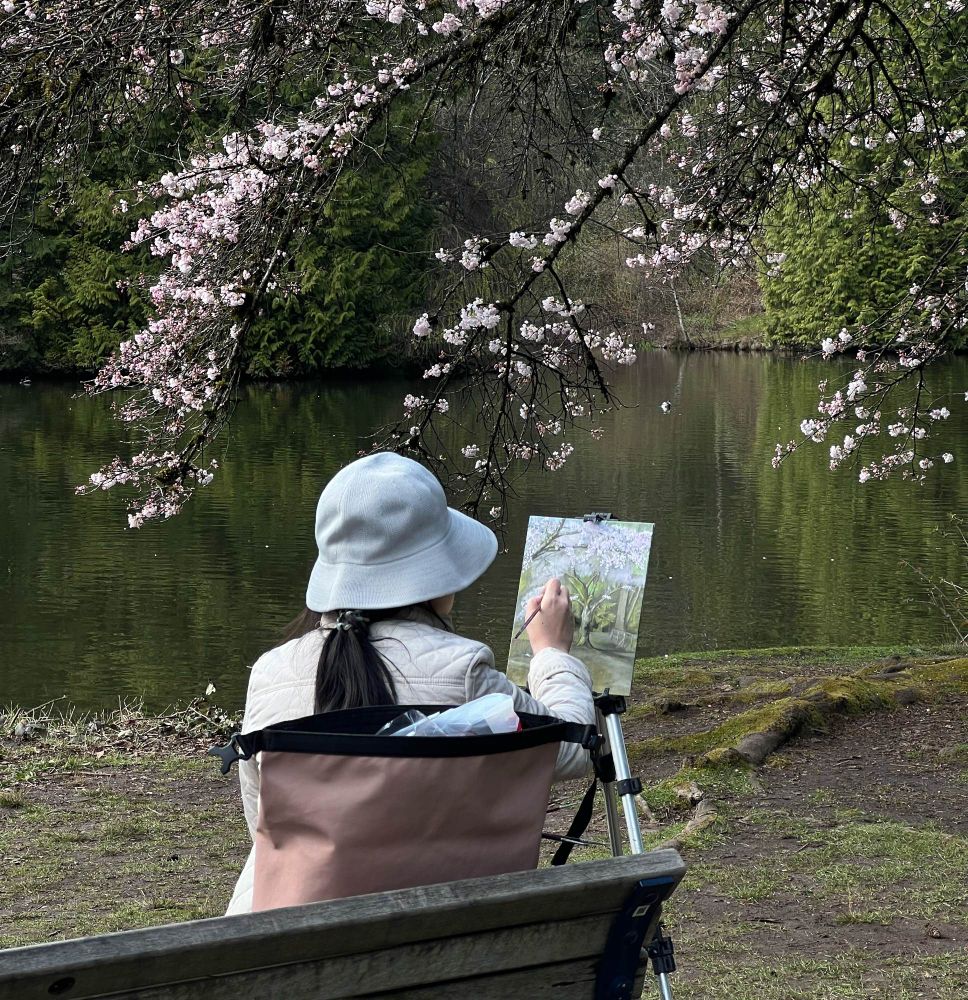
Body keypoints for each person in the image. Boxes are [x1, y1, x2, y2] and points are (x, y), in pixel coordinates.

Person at [226, 451, 594, 914]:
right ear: (433, 573)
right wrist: (552, 652)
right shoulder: (462, 668)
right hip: (445, 927)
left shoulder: (271, 673)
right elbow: (575, 747)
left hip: (285, 931)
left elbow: (265, 823)